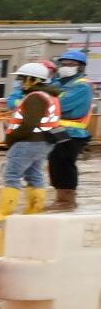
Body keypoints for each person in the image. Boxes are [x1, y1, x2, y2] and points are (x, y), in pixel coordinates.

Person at [3, 63, 59, 218]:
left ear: (32, 79)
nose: (20, 82)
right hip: (44, 142)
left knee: (12, 175)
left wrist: (11, 137)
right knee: (34, 174)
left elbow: (29, 124)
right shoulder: (50, 95)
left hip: (28, 141)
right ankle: (34, 211)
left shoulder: (35, 97)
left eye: (22, 78)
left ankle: (4, 212)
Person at [57, 51, 93, 212]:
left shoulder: (82, 85)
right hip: (57, 130)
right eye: (64, 64)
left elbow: (62, 105)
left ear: (80, 67)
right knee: (55, 162)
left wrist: (50, 104)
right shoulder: (58, 83)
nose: (66, 67)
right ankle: (60, 199)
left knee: (65, 162)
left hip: (74, 133)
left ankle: (67, 201)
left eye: (70, 65)